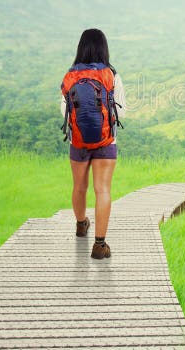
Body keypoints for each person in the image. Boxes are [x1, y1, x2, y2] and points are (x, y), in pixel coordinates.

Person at [60, 29, 125, 259]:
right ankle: (99, 245)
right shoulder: (111, 75)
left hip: (78, 141)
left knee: (79, 187)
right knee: (103, 189)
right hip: (106, 142)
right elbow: (121, 109)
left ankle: (80, 225)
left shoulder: (70, 77)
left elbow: (64, 111)